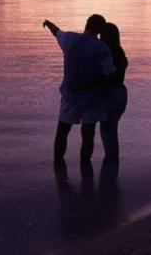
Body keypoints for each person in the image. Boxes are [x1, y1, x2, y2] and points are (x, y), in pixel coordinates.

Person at [43, 15, 115, 163]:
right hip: (93, 98)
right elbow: (109, 74)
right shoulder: (102, 48)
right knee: (88, 135)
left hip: (70, 96)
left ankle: (58, 166)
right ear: (100, 31)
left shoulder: (70, 39)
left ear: (86, 25)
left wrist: (49, 24)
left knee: (62, 131)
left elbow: (57, 32)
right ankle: (85, 169)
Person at [98, 22, 128, 162]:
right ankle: (112, 168)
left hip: (112, 95)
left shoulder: (107, 54)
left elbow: (109, 78)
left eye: (101, 35)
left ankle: (111, 166)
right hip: (121, 94)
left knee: (107, 132)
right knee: (111, 132)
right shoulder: (120, 53)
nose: (99, 38)